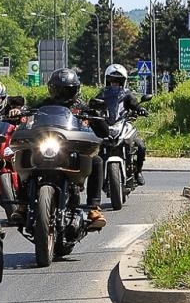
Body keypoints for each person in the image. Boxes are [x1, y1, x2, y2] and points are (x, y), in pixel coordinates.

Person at [41, 67, 105, 229]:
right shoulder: (44, 105)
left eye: (67, 90)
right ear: (52, 89)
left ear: (75, 90)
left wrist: (96, 116)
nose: (62, 94)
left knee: (96, 161)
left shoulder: (82, 106)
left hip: (73, 149)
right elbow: (28, 114)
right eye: (58, 90)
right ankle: (21, 205)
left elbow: (103, 130)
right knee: (23, 154)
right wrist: (19, 112)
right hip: (47, 147)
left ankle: (93, 208)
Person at [86, 63, 147, 183]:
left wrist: (140, 109)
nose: (115, 83)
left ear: (123, 82)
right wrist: (90, 110)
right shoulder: (102, 94)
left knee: (140, 146)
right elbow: (93, 105)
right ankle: (98, 178)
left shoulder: (127, 94)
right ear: (107, 81)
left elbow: (134, 104)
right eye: (112, 81)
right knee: (95, 149)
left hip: (123, 123)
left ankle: (138, 171)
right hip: (107, 124)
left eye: (118, 81)